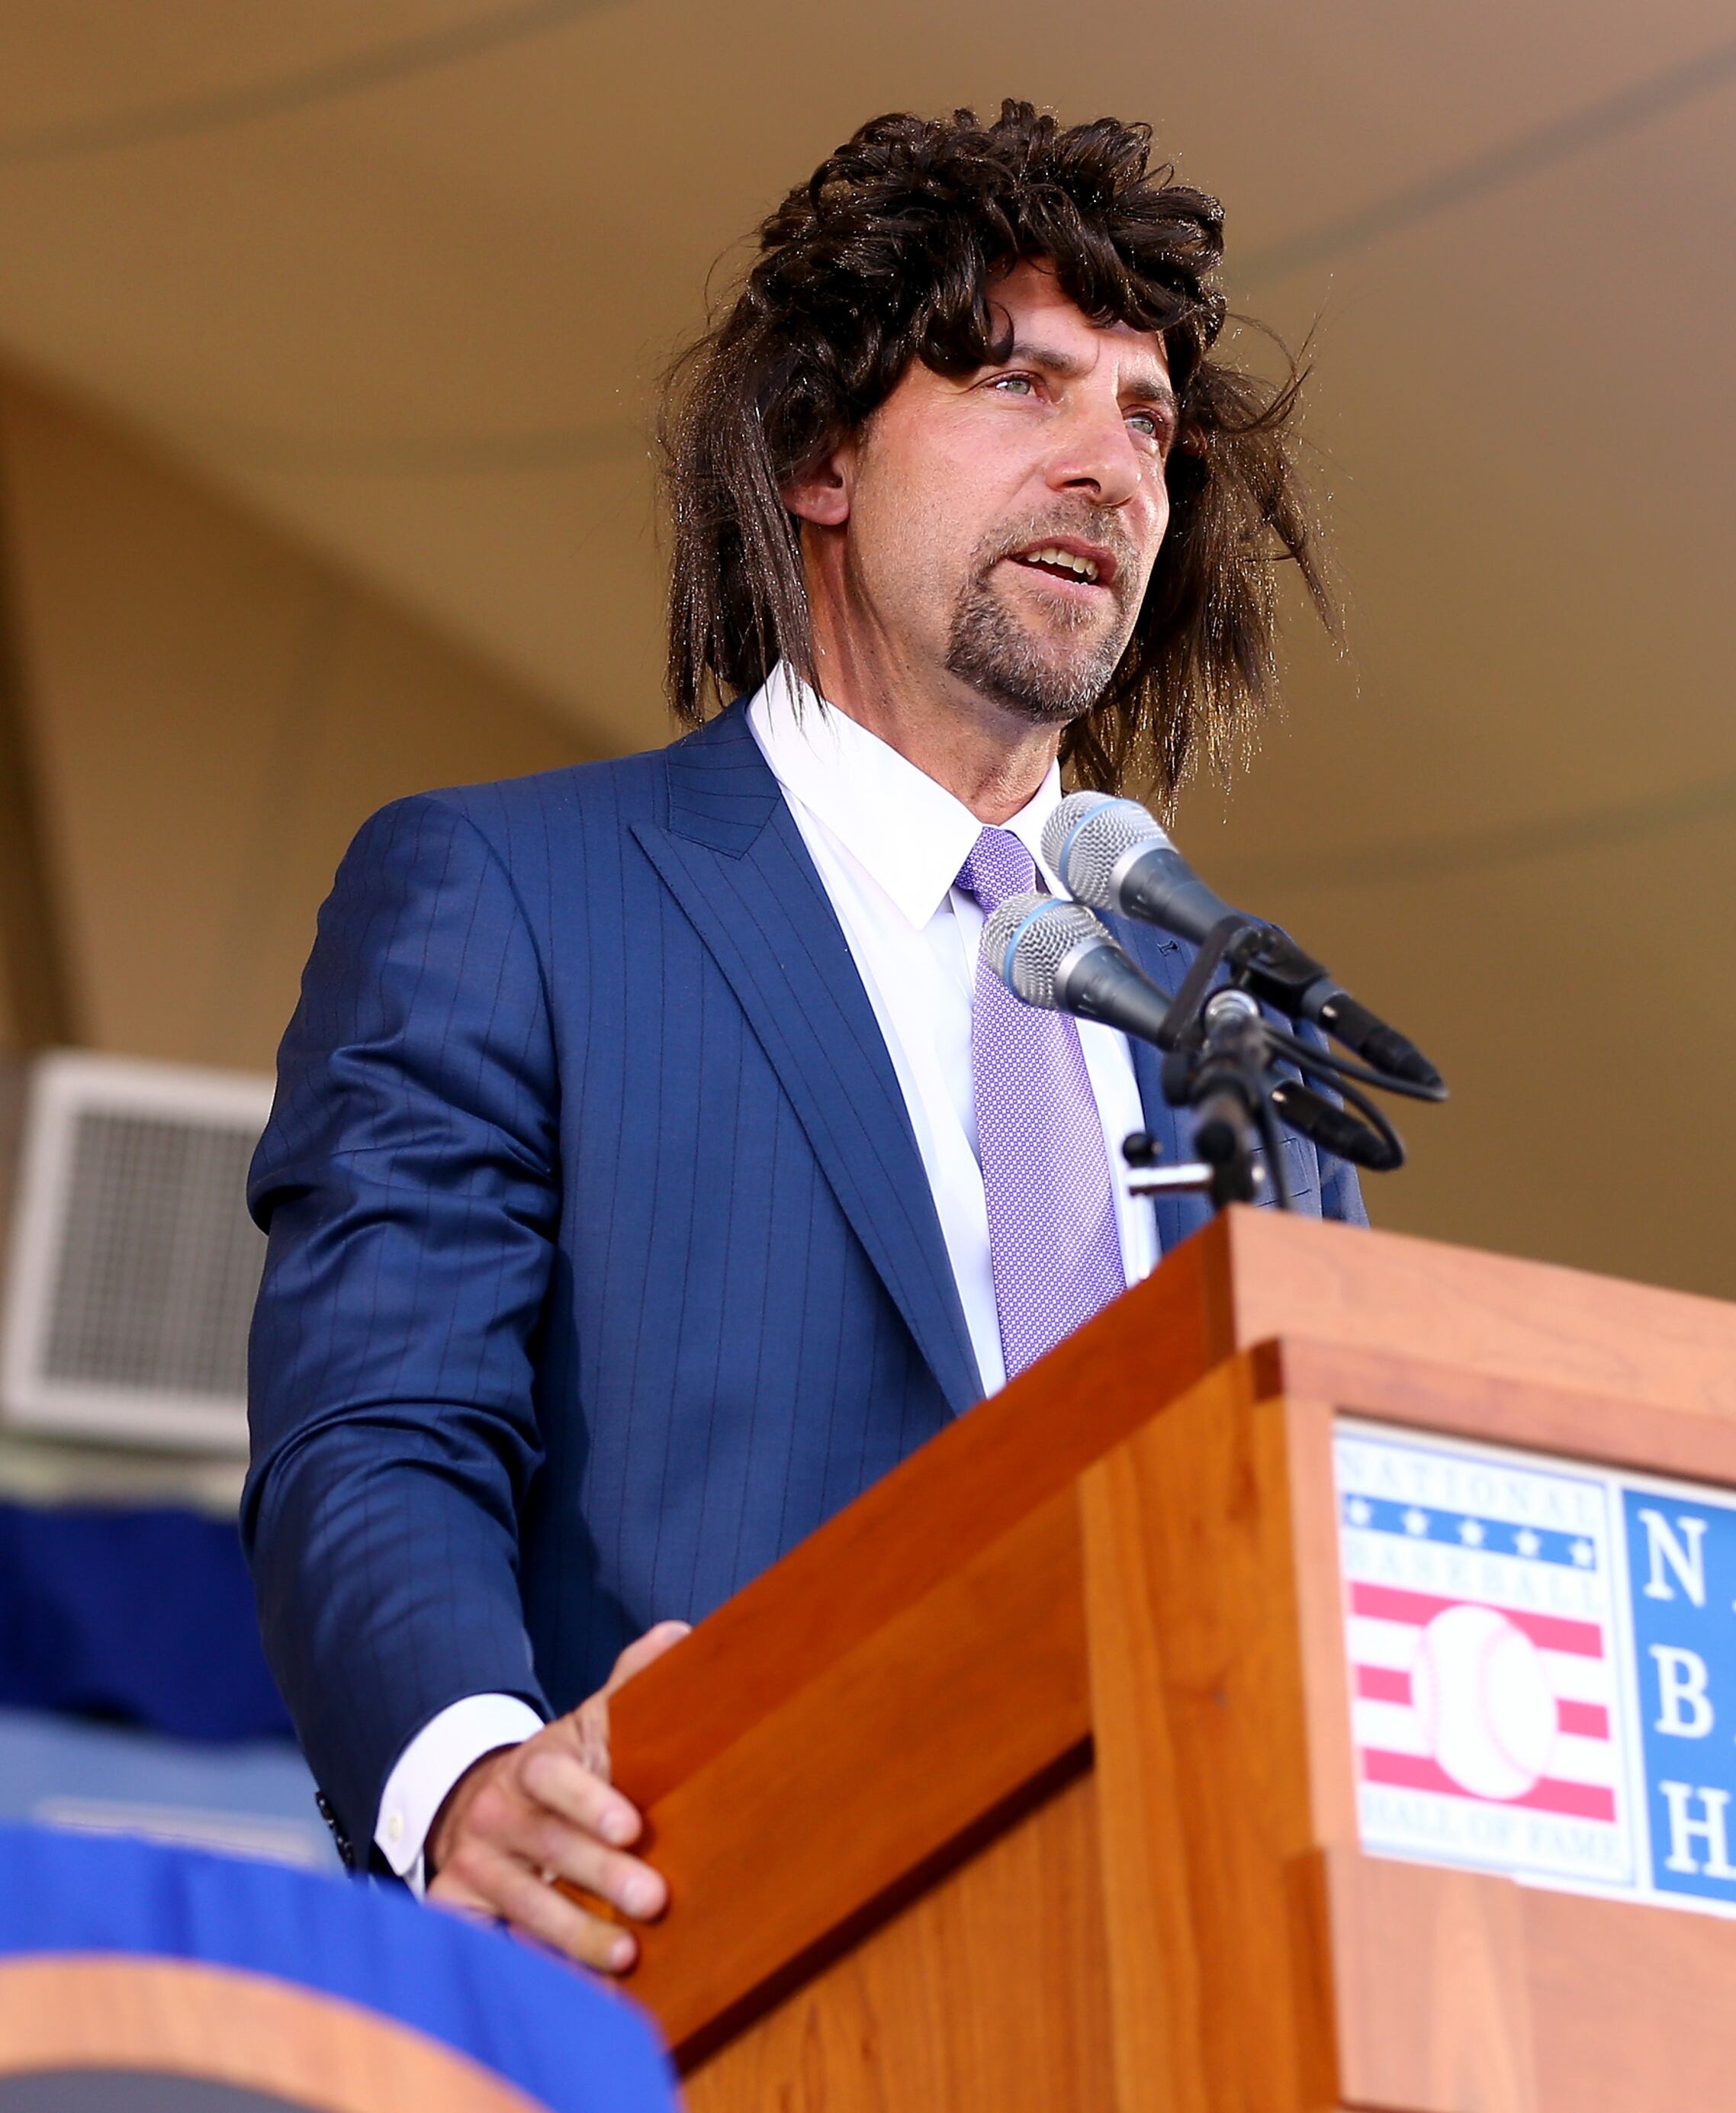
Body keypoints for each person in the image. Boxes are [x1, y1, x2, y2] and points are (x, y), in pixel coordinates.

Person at [243, 103, 1358, 1973]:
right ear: (820, 454)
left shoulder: (1230, 1017)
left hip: (1187, 1968)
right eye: (1025, 385)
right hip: (707, 1950)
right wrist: (473, 1778)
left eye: (1148, 419)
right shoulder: (512, 898)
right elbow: (378, 1430)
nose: (1113, 465)